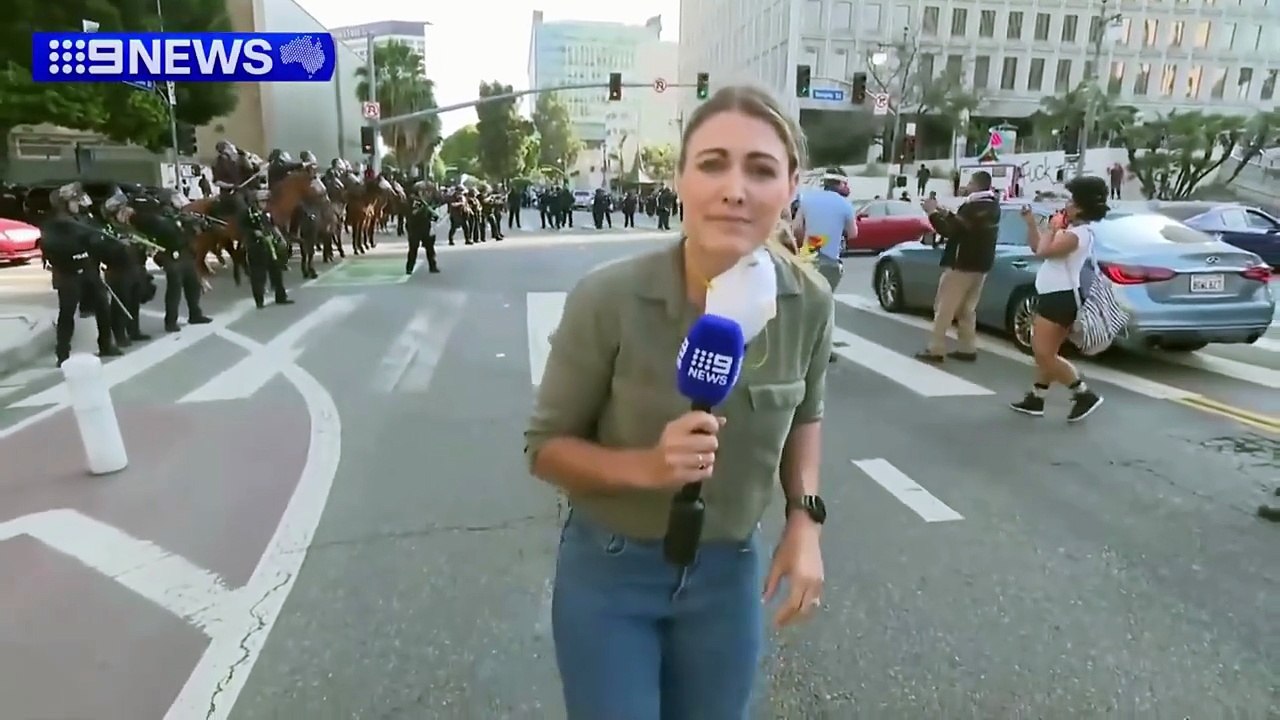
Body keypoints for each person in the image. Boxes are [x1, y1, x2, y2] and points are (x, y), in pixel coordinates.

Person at [525, 85, 833, 719]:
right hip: (610, 572)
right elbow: (545, 449)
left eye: (761, 169)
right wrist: (646, 468)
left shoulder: (809, 300)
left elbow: (805, 413)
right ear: (680, 179)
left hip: (728, 573)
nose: (735, 189)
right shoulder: (607, 299)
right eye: (713, 163)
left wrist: (804, 521)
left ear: (792, 184)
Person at [1010, 175, 1106, 421]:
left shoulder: (1078, 234)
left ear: (1082, 206)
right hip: (1054, 295)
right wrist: (1032, 224)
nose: (1067, 205)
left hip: (1059, 298)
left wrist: (1053, 228)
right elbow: (1037, 247)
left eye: (1072, 201)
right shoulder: (1071, 231)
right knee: (1048, 351)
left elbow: (1044, 252)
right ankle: (1037, 397)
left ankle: (1083, 393)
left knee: (1042, 353)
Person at [916, 170, 1000, 363]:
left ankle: (935, 349)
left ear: (977, 185)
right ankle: (967, 348)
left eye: (970, 183)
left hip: (961, 264)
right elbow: (966, 226)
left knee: (944, 307)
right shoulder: (993, 206)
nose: (967, 186)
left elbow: (949, 231)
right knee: (967, 309)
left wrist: (932, 213)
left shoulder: (972, 207)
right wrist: (946, 212)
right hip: (982, 266)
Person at [39, 183, 121, 366]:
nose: (78, 204)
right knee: (67, 313)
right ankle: (62, 353)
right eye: (74, 201)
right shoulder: (55, 223)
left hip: (89, 269)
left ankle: (106, 344)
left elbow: (96, 237)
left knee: (103, 306)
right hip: (68, 273)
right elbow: (55, 246)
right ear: (64, 203)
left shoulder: (82, 218)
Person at [130, 192, 213, 332]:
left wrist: (194, 225)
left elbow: (186, 231)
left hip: (185, 253)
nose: (177, 203)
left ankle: (195, 314)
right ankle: (170, 321)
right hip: (171, 255)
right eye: (174, 200)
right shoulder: (156, 218)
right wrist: (183, 223)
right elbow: (167, 230)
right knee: (174, 290)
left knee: (192, 285)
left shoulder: (176, 215)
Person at [792, 173, 856, 292]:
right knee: (826, 297)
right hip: (831, 260)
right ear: (839, 184)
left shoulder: (807, 199)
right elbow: (853, 233)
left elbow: (796, 228)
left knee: (807, 294)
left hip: (808, 255)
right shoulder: (845, 204)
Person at [405, 181, 440, 275]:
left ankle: (433, 266)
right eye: (422, 191)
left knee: (430, 248)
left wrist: (432, 214)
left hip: (426, 226)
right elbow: (412, 213)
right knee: (413, 248)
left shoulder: (427, 201)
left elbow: (433, 215)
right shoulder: (413, 200)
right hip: (414, 227)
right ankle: (409, 268)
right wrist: (422, 208)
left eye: (427, 191)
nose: (425, 193)